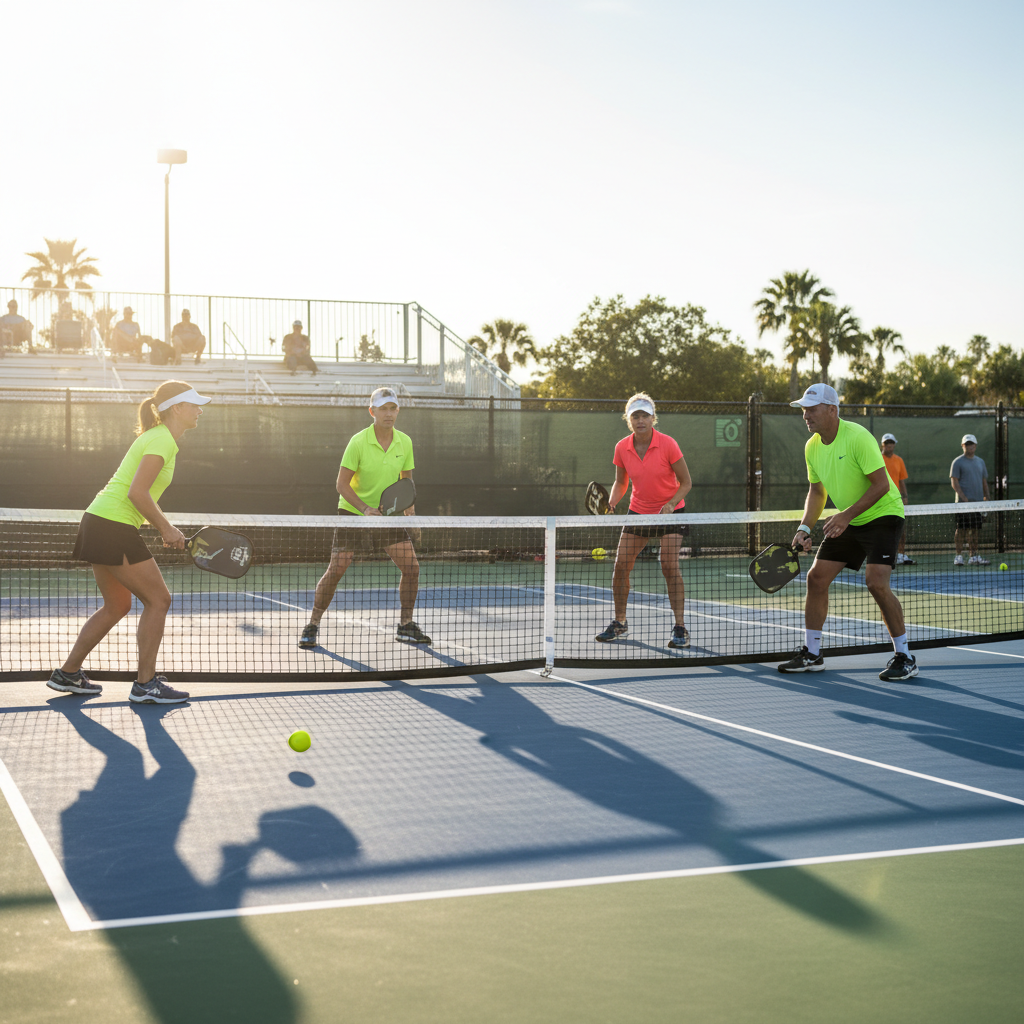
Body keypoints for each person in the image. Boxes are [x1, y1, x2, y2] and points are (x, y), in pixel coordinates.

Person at [46, 380, 213, 704]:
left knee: (118, 604)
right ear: (176, 408)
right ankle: (146, 684)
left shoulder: (158, 438)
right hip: (111, 525)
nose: (199, 409)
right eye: (193, 404)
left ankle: (68, 672)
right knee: (159, 600)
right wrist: (166, 528)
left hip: (100, 521)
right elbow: (137, 492)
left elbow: (136, 493)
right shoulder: (162, 439)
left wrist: (163, 526)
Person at [779, 383, 918, 681]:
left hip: (883, 514)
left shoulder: (857, 437)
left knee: (876, 582)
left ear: (832, 410)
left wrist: (845, 515)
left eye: (812, 409)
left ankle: (905, 656)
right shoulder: (812, 446)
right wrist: (805, 527)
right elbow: (817, 492)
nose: (806, 415)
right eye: (803, 410)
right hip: (849, 519)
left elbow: (881, 485)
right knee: (816, 578)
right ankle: (813, 654)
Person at [298, 386, 429, 649]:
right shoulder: (358, 442)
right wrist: (365, 509)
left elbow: (406, 482)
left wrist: (409, 512)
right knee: (336, 569)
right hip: (353, 512)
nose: (388, 414)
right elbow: (341, 485)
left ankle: (405, 625)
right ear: (372, 412)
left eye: (393, 408)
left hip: (386, 515)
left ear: (397, 411)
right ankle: (312, 624)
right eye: (383, 409)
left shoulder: (405, 442)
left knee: (412, 568)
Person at [593, 393, 692, 649]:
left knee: (668, 565)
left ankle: (680, 626)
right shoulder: (621, 447)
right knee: (620, 566)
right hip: (639, 512)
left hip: (671, 512)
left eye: (644, 415)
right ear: (629, 420)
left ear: (652, 418)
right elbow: (621, 481)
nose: (640, 420)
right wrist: (613, 502)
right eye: (635, 416)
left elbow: (686, 482)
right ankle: (620, 623)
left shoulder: (668, 444)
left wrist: (670, 504)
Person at [950, 433, 990, 566]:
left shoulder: (980, 462)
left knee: (975, 529)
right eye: (967, 444)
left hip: (978, 504)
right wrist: (964, 499)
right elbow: (954, 483)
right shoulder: (957, 462)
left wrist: (987, 498)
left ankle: (973, 556)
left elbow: (984, 482)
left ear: (975, 446)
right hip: (962, 505)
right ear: (963, 446)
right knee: (961, 529)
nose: (969, 446)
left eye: (971, 444)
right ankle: (958, 556)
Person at [880, 432, 914, 565]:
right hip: (880, 500)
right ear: (883, 444)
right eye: (887, 443)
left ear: (894, 445)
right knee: (882, 529)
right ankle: (884, 554)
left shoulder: (899, 460)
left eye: (891, 443)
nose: (889, 445)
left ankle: (900, 555)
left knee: (900, 528)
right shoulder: (877, 458)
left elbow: (901, 480)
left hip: (896, 501)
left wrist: (905, 496)